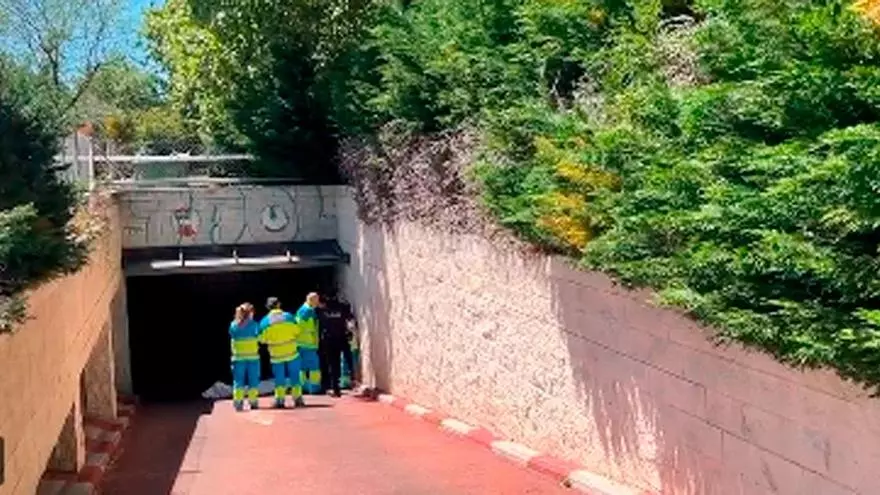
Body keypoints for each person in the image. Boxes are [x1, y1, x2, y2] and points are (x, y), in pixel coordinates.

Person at [259, 297, 305, 408]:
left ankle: (280, 400)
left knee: (279, 378)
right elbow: (298, 331)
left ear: (267, 307)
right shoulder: (289, 317)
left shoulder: (265, 322)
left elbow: (261, 339)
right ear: (279, 304)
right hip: (292, 352)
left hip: (276, 355)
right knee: (295, 377)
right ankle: (298, 399)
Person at [317, 294, 355, 397]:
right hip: (342, 337)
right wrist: (350, 332)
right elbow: (350, 319)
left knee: (333, 364)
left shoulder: (321, 310)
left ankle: (336, 389)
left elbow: (319, 324)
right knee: (348, 358)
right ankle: (352, 377)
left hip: (329, 340)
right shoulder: (343, 306)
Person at [229, 303, 261, 411]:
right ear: (250, 313)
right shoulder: (254, 325)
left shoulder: (233, 325)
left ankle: (238, 402)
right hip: (253, 358)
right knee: (253, 380)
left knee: (238, 381)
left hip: (238, 358)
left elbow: (232, 336)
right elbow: (259, 336)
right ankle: (253, 401)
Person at [295, 292, 322, 394]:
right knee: (314, 366)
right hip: (308, 343)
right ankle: (314, 387)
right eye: (316, 300)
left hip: (300, 343)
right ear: (311, 300)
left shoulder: (301, 310)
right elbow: (311, 327)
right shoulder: (309, 311)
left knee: (302, 367)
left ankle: (302, 386)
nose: (318, 302)